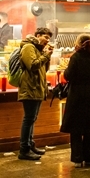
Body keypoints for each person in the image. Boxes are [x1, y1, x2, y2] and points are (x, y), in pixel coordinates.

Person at [61, 34, 90, 167]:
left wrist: (65, 72)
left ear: (79, 43)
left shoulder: (76, 57)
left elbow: (68, 75)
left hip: (76, 96)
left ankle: (77, 159)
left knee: (76, 129)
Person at [18, 27, 53, 161]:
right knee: (28, 119)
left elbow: (43, 68)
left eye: (49, 38)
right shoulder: (28, 47)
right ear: (38, 35)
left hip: (37, 88)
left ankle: (30, 145)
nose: (47, 40)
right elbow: (32, 65)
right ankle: (24, 150)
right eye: (45, 37)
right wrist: (45, 55)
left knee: (32, 119)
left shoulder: (37, 49)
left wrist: (46, 55)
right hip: (30, 88)